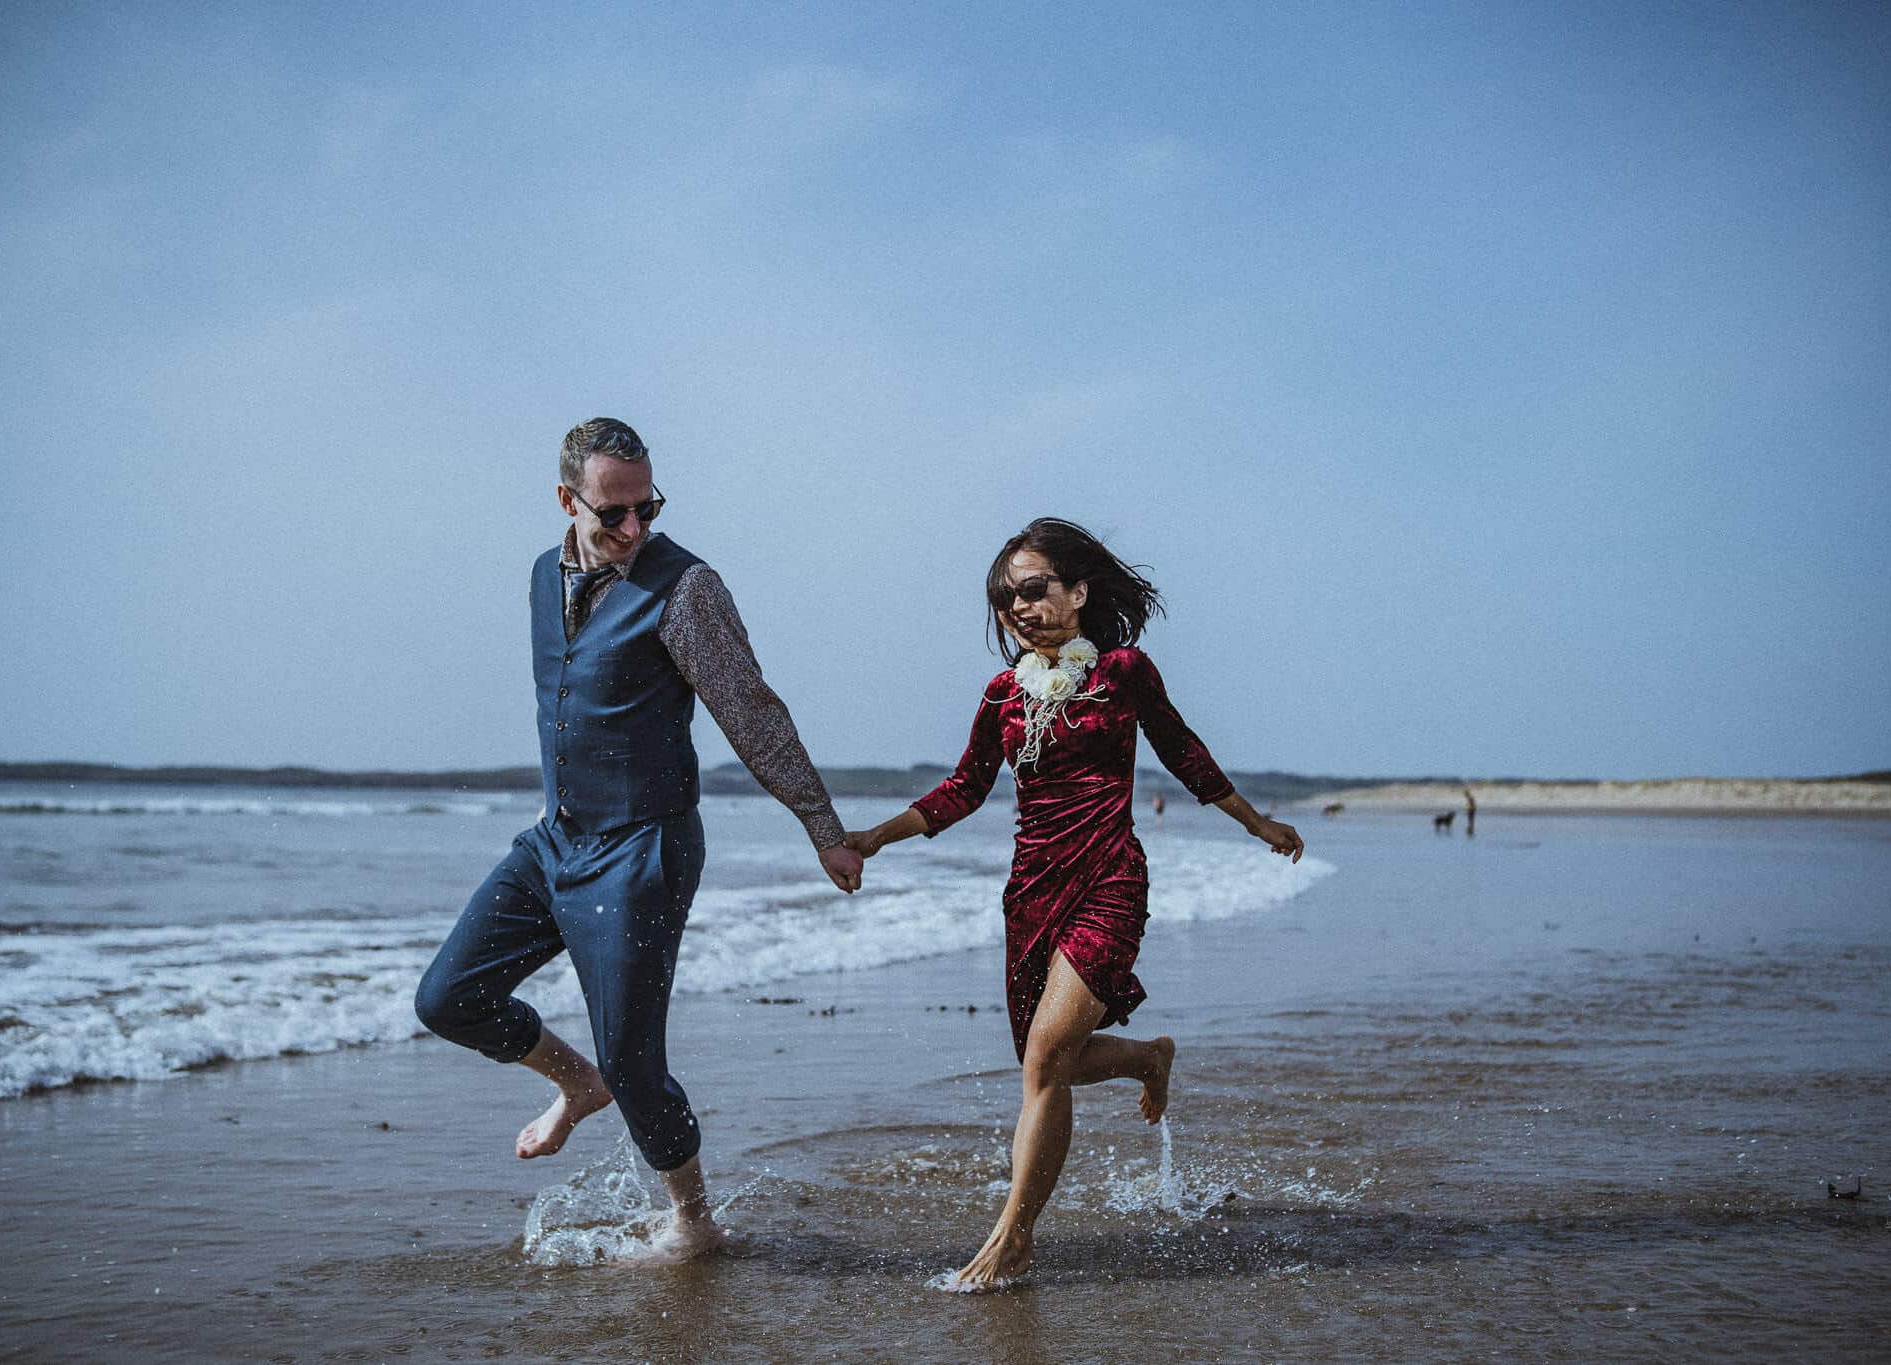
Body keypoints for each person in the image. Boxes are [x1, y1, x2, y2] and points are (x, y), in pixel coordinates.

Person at [414, 418, 864, 1262]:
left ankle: (695, 1220)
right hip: (558, 841)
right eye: (613, 513)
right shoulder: (543, 575)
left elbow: (752, 712)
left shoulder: (685, 587)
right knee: (447, 997)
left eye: (647, 508)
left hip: (644, 849)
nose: (634, 530)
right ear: (565, 501)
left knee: (635, 1059)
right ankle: (572, 1081)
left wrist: (822, 826)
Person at [844, 518, 1302, 1291]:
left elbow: (1182, 748)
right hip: (1030, 893)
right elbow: (962, 789)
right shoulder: (1001, 693)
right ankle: (1150, 1057)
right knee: (1043, 1063)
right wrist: (876, 837)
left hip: (1109, 880)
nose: (1019, 606)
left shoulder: (1124, 671)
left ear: (1078, 592)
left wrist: (1256, 821)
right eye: (1005, 597)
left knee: (1047, 1057)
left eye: (1034, 588)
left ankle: (1012, 1238)